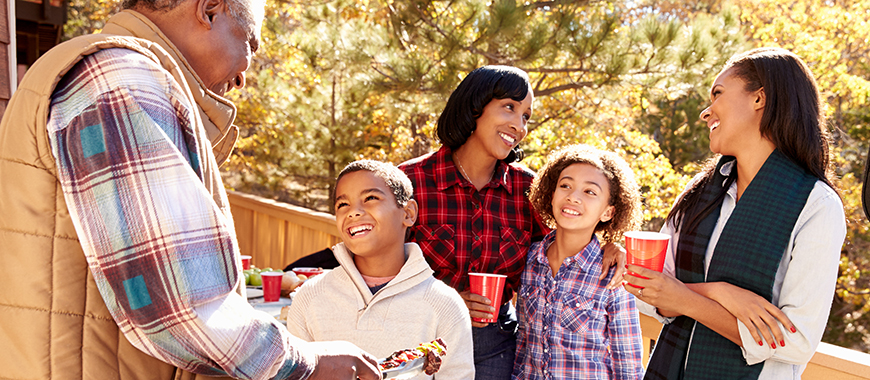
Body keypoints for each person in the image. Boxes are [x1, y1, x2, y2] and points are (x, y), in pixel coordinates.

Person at [0, 1, 379, 379]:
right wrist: (305, 362)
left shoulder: (106, 73)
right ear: (210, 10)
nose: (244, 76)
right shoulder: (121, 79)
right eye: (249, 42)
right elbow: (179, 305)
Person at [623, 47, 846, 379]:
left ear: (759, 99)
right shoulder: (699, 194)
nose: (705, 112)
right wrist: (721, 292)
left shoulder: (815, 205)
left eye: (717, 94)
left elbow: (795, 340)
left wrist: (688, 298)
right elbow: (651, 292)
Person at [398, 65, 626, 379]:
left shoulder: (527, 190)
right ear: (475, 106)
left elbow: (565, 241)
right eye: (510, 108)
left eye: (526, 116)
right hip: (417, 340)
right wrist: (446, 301)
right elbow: (375, 264)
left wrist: (609, 244)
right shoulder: (410, 181)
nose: (519, 125)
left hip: (495, 349)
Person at [287, 160, 475, 380]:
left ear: (408, 214)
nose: (354, 212)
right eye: (342, 205)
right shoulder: (309, 297)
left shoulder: (444, 304)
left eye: (370, 198)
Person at [513, 145, 645, 380]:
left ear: (607, 212)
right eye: (565, 186)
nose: (573, 197)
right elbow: (523, 341)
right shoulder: (531, 260)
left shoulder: (613, 277)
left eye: (590, 192)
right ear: (551, 194)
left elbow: (628, 367)